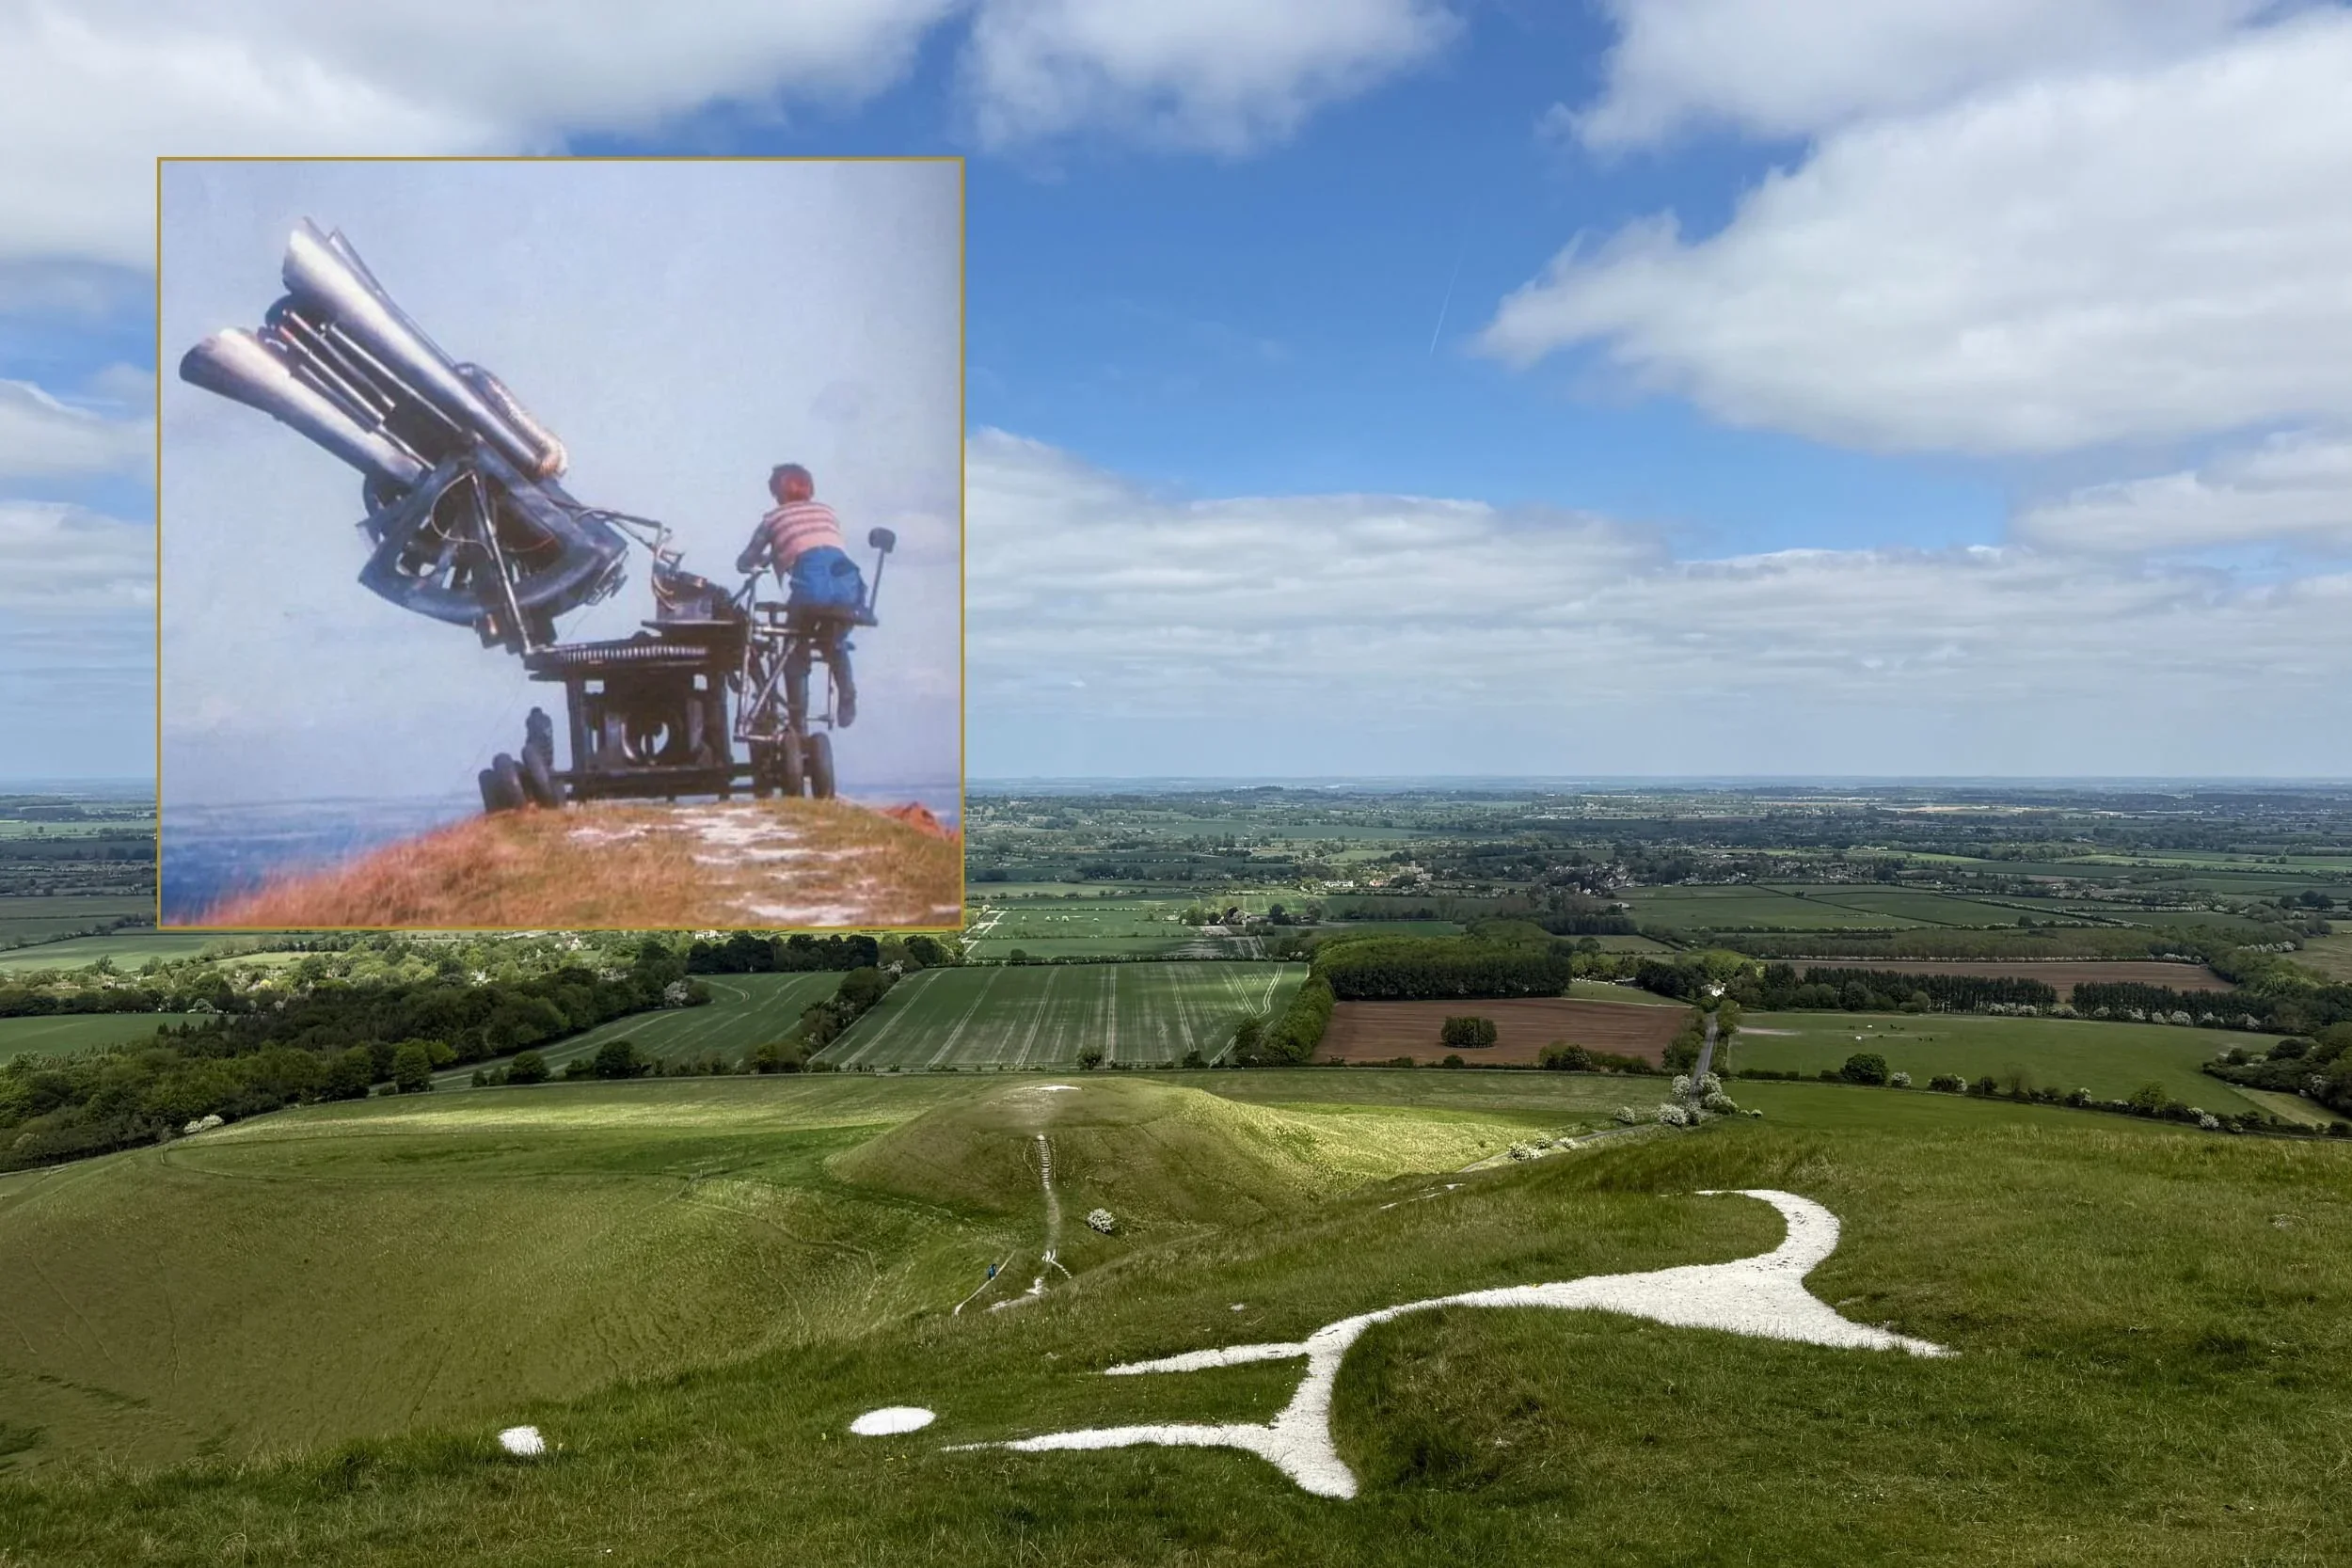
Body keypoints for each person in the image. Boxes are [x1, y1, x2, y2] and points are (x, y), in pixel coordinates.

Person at [737, 463, 864, 727]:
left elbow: (745, 562)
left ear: (776, 492)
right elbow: (819, 543)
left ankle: (797, 721)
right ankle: (847, 691)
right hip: (848, 584)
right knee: (833, 637)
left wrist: (760, 559)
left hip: (811, 586)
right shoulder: (827, 511)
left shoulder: (772, 519)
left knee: (794, 646)